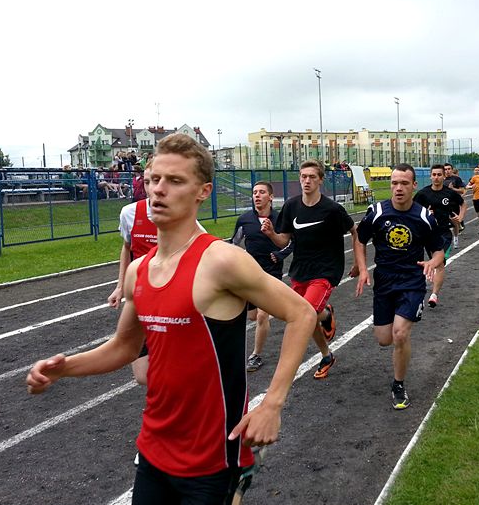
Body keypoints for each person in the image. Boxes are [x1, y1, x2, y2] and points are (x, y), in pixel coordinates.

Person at [27, 134, 316, 502]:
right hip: (153, 447)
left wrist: (272, 403)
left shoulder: (220, 261)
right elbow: (123, 347)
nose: (159, 190)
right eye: (154, 180)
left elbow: (301, 313)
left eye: (175, 181)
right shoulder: (138, 270)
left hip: (211, 457)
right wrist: (63, 367)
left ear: (203, 191)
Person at [352, 164, 444, 409]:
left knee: (400, 334)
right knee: (384, 339)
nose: (398, 188)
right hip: (384, 281)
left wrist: (432, 263)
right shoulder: (377, 212)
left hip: (412, 282)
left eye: (404, 183)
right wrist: (362, 270)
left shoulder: (425, 217)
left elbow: (438, 251)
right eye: (394, 183)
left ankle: (398, 384)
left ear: (414, 185)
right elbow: (359, 240)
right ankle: (398, 353)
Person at [262, 159, 359, 379]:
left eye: (312, 177)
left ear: (321, 181)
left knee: (304, 314)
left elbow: (355, 231)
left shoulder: (332, 209)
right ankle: (326, 350)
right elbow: (283, 241)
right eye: (303, 176)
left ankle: (288, 366)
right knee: (309, 314)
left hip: (326, 270)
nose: (307, 181)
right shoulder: (291, 206)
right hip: (300, 270)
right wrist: (271, 234)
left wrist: (357, 263)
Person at [229, 181, 292, 372]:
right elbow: (234, 243)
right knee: (252, 317)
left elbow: (291, 243)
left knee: (263, 315)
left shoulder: (280, 218)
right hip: (250, 273)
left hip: (271, 271)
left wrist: (279, 255)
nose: (257, 195)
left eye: (262, 192)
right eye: (255, 192)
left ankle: (255, 355)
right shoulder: (245, 219)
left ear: (270, 197)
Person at [107, 162, 158, 385]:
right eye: (147, 182)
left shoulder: (182, 217)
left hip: (171, 297)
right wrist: (120, 286)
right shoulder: (129, 213)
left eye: (155, 180)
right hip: (140, 295)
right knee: (141, 377)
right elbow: (127, 248)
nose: (152, 187)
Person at [414, 164, 465, 306]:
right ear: (430, 176)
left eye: (439, 175)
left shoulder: (449, 193)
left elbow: (463, 204)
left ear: (444, 176)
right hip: (426, 234)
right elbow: (412, 211)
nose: (436, 177)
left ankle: (434, 295)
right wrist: (424, 214)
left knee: (440, 264)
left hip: (443, 233)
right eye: (434, 175)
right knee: (435, 264)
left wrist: (460, 218)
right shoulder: (423, 194)